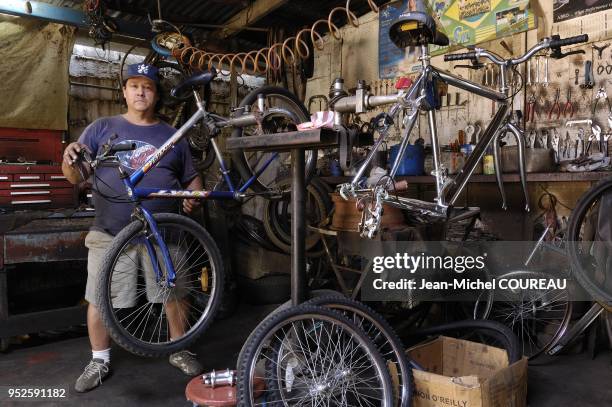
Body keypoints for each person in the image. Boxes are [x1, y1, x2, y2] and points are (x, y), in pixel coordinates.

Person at [62, 63, 205, 393]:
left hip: (164, 232)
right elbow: (76, 176)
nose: (141, 91)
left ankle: (178, 348)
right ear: (124, 92)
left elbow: (191, 178)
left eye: (148, 87)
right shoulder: (101, 129)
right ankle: (99, 359)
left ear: (155, 95)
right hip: (110, 233)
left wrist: (193, 196)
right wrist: (69, 157)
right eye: (134, 85)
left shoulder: (173, 135)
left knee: (175, 293)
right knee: (99, 298)